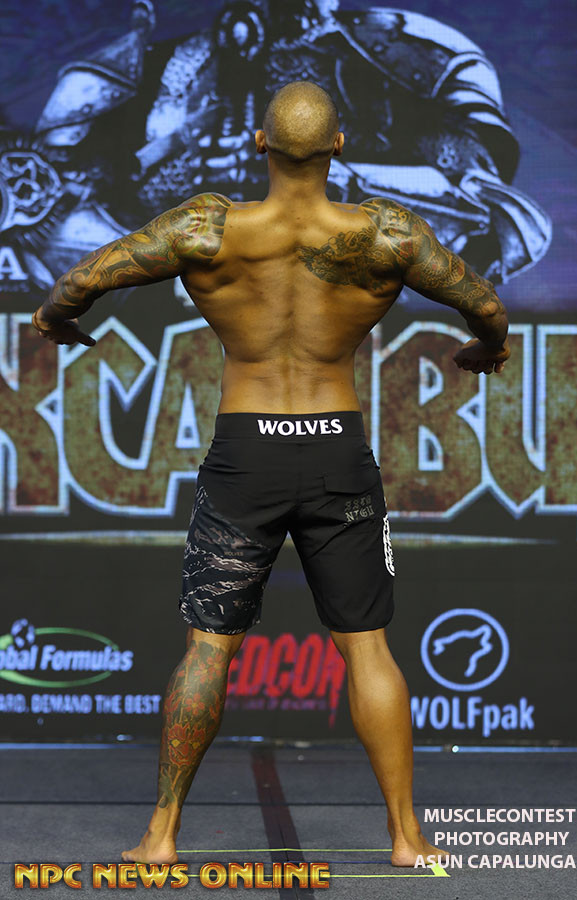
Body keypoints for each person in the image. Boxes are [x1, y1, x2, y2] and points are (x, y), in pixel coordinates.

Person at [31, 81, 510, 867]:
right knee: (368, 649)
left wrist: (57, 321)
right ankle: (406, 837)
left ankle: (160, 837)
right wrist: (485, 350)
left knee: (208, 649)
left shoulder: (205, 228)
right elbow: (485, 304)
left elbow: (77, 283)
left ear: (259, 143)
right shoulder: (387, 235)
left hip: (245, 456)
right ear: (339, 147)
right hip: (336, 452)